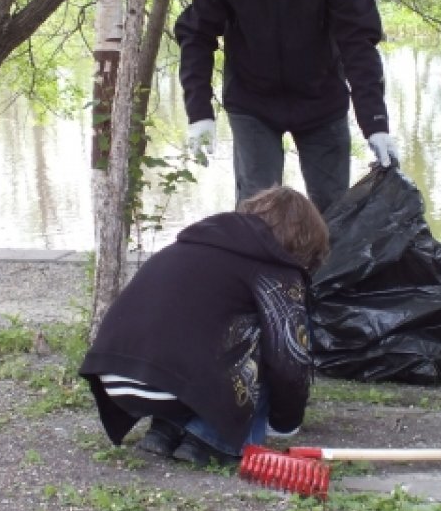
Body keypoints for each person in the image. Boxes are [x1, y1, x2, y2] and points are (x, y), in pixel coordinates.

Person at [174, 0, 399, 213]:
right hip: (252, 101)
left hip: (320, 100)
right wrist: (199, 112)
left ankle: (325, 268)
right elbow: (196, 34)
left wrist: (375, 122)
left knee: (332, 209)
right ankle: (255, 267)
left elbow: (358, 42)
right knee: (256, 209)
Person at [78, 186, 330, 467]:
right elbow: (289, 359)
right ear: (304, 243)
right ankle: (211, 439)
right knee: (272, 337)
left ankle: (165, 430)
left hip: (115, 376)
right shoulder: (275, 271)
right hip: (168, 385)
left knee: (199, 334)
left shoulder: (191, 244)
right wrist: (286, 422)